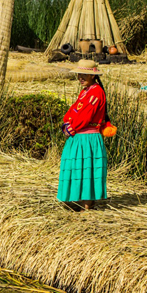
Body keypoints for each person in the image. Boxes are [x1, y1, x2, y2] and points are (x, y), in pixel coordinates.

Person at [58, 60, 110, 210]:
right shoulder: (86, 91)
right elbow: (74, 110)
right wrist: (67, 122)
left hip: (87, 138)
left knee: (87, 169)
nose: (81, 77)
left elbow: (86, 115)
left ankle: (87, 207)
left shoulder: (96, 92)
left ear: (93, 76)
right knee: (75, 168)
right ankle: (74, 202)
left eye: (85, 74)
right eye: (79, 74)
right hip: (78, 137)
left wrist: (72, 128)